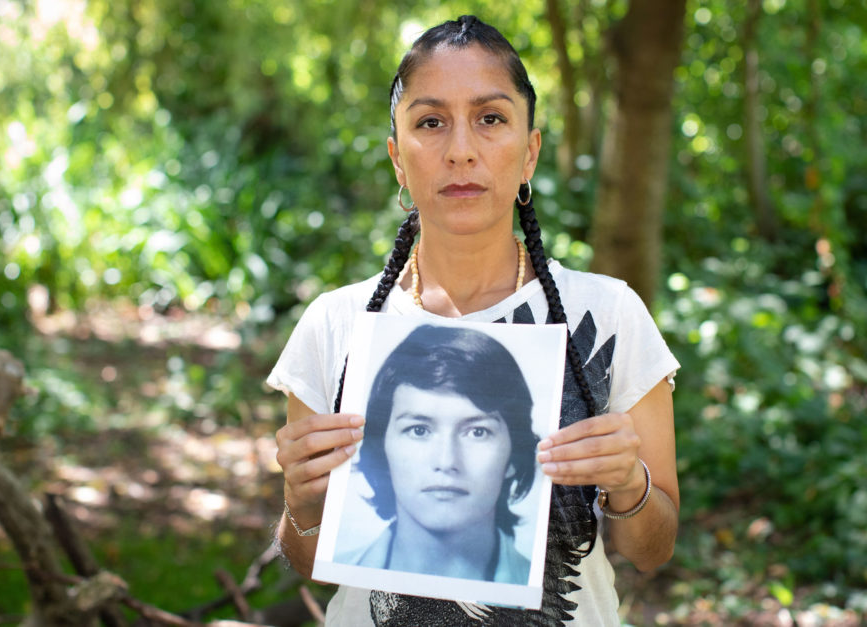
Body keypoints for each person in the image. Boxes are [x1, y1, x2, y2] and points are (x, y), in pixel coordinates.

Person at [270, 14, 681, 625]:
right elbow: (310, 561)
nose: (461, 149)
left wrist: (629, 481)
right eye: (431, 122)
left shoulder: (609, 313)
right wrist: (301, 501)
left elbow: (653, 548)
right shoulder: (337, 324)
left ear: (529, 153)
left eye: (490, 119)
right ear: (398, 160)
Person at [333, 324, 538, 585]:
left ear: (514, 454)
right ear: (382, 447)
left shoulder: (546, 591)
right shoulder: (342, 567)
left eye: (477, 432)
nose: (446, 461)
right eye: (418, 430)